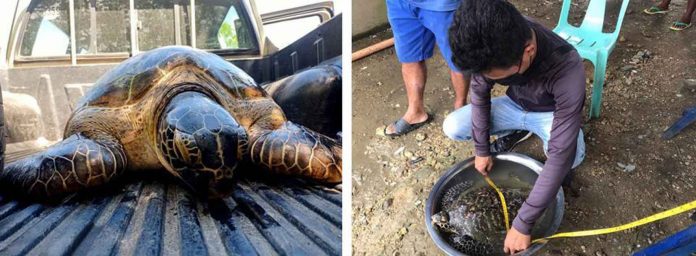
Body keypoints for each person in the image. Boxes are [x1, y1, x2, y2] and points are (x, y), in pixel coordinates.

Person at [444, 0, 586, 253]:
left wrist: (523, 223)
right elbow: (480, 95)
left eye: (497, 76)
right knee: (454, 125)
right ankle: (519, 129)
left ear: (528, 50)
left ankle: (530, 130)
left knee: (572, 155)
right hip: (514, 105)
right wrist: (481, 149)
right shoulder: (492, 39)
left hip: (549, 112)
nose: (486, 78)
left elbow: (560, 153)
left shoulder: (566, 67)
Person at [383, 0, 470, 137]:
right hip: (400, 3)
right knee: (409, 56)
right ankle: (416, 111)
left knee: (457, 57)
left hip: (441, 4)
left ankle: (461, 109)